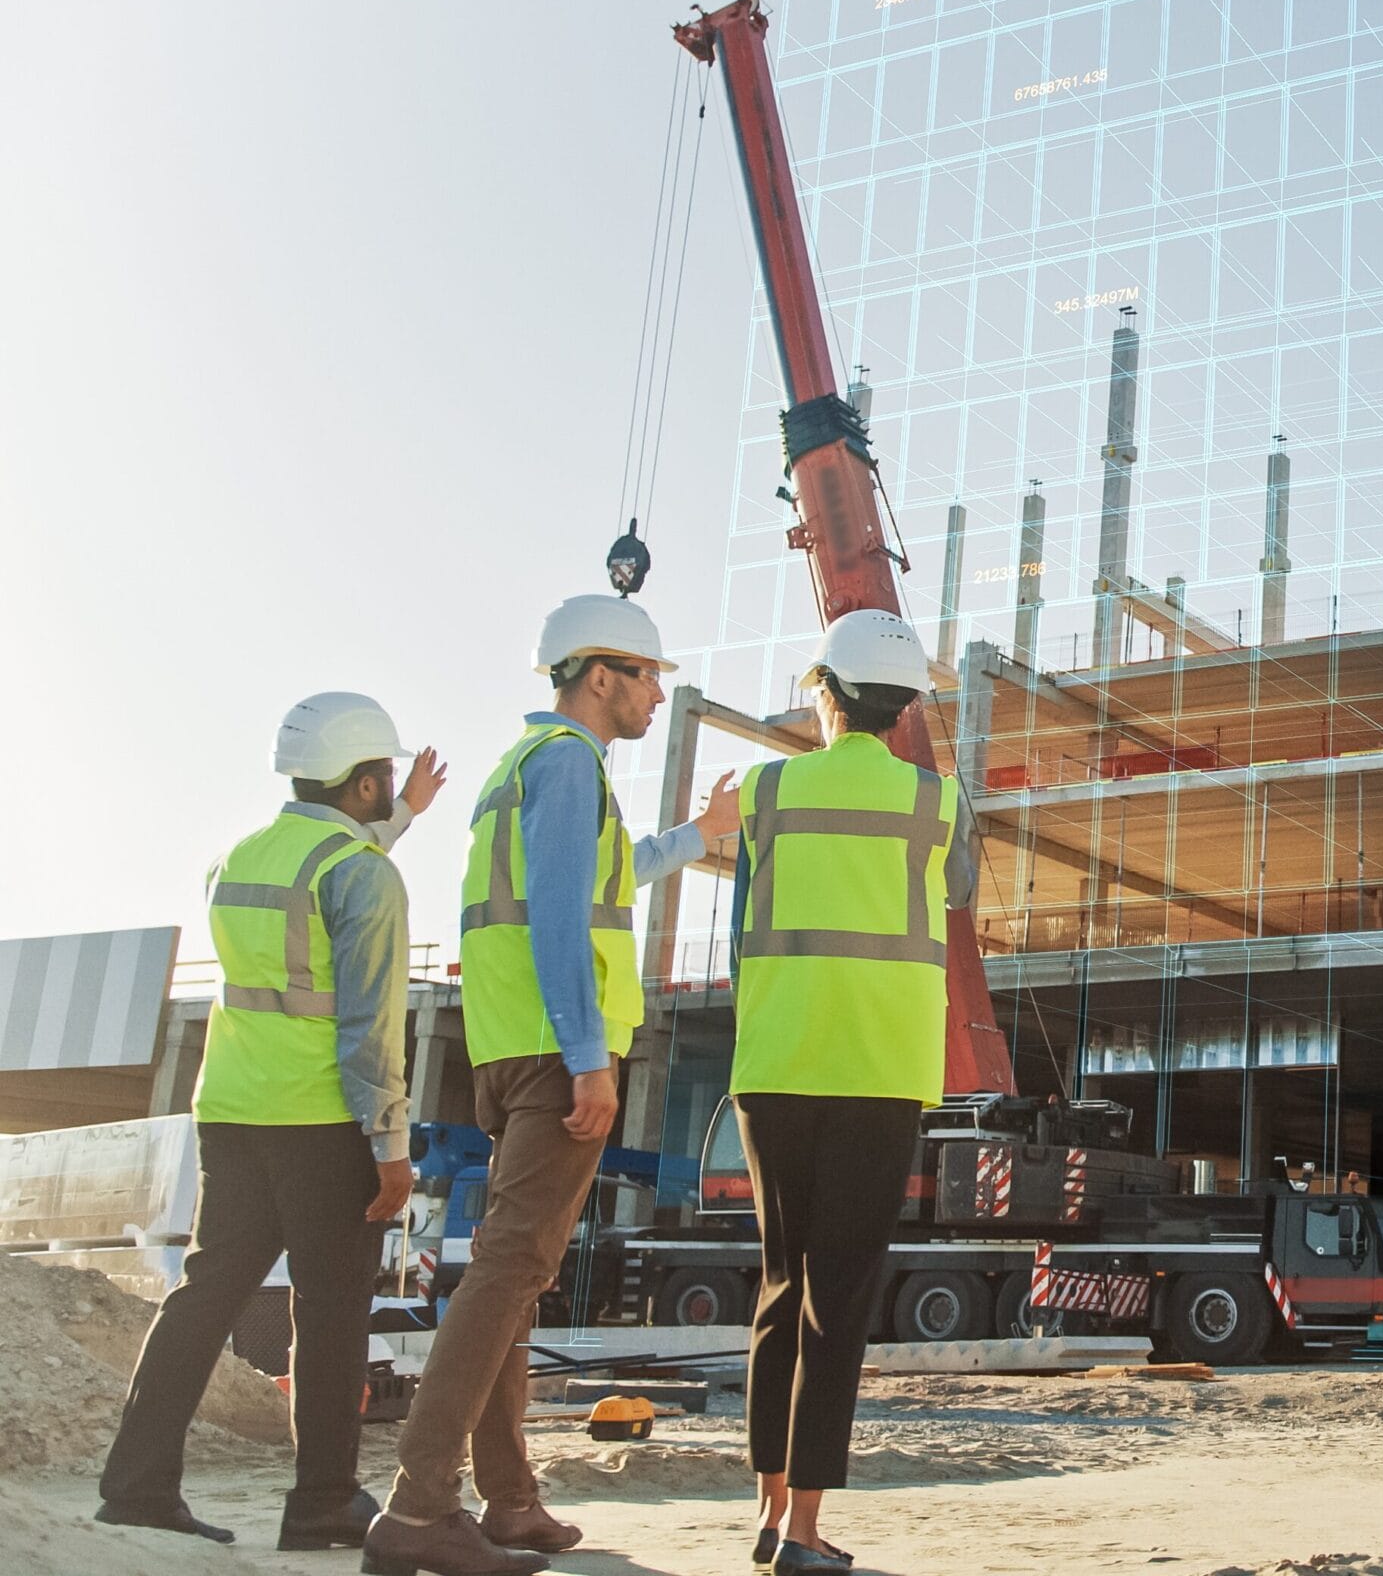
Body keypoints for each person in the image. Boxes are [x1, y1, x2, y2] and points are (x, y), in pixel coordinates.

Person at [364, 595, 737, 1576]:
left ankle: (511, 1497)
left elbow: (603, 880)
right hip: (554, 1049)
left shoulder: (522, 769)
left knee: (508, 1276)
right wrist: (586, 1056)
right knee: (507, 1274)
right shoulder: (570, 765)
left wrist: (697, 834)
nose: (660, 692)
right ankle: (418, 1506)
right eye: (649, 674)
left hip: (507, 1046)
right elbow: (565, 917)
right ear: (600, 676)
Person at [96, 694, 443, 1550]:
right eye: (385, 779)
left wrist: (402, 817)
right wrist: (391, 1147)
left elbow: (315, 895)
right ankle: (323, 1500)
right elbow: (369, 1028)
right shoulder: (365, 875)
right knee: (329, 1312)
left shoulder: (237, 858)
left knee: (205, 1294)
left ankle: (136, 1486)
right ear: (365, 780)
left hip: (232, 1113)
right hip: (324, 1119)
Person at [728, 609, 978, 1573]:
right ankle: (804, 1535)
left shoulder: (766, 789)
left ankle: (765, 1509)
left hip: (778, 1065)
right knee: (840, 1296)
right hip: (878, 1072)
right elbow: (955, 895)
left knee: (781, 1287)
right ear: (909, 705)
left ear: (825, 693)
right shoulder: (937, 802)